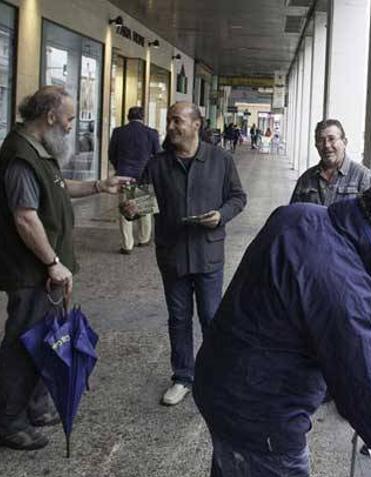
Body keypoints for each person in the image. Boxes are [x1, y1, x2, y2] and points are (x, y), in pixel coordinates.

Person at [193, 176, 371, 477]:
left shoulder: (298, 215)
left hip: (221, 385)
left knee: (236, 474)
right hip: (261, 419)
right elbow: (363, 390)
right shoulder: (344, 284)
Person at [0, 86, 130, 450]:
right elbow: (25, 218)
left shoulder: (40, 151)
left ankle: (35, 406)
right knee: (22, 344)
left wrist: (98, 185)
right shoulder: (21, 157)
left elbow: (58, 188)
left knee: (45, 339)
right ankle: (8, 420)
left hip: (46, 270)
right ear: (50, 116)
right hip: (31, 271)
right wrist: (52, 262)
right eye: (70, 118)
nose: (73, 125)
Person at [122, 102, 247, 407]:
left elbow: (238, 197)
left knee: (211, 317)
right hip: (172, 254)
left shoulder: (220, 159)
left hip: (208, 253)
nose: (171, 127)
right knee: (179, 318)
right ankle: (182, 377)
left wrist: (220, 215)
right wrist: (131, 208)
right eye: (169, 120)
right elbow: (141, 204)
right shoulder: (157, 164)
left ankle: (216, 376)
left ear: (196, 125)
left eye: (177, 120)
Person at [108, 106, 161, 254]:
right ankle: (144, 239)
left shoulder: (118, 132)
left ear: (128, 116)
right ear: (143, 117)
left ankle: (127, 245)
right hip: (144, 175)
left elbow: (111, 154)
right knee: (144, 208)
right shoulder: (151, 133)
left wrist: (120, 167)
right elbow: (158, 155)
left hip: (124, 175)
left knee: (125, 210)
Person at [289, 119, 371, 206]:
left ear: (344, 142)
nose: (326, 145)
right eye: (321, 140)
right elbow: (294, 212)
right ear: (316, 145)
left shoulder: (364, 177)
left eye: (331, 139)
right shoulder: (305, 179)